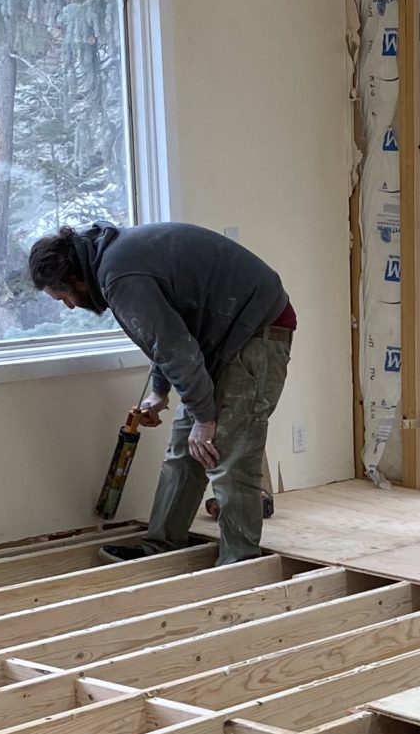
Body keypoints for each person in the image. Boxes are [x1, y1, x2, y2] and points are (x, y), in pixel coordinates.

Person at [27, 220, 295, 563]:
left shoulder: (120, 275)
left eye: (63, 296)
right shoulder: (113, 261)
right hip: (220, 336)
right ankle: (162, 546)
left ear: (76, 279)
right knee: (186, 448)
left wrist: (205, 419)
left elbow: (174, 348)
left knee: (227, 454)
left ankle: (238, 563)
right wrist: (159, 391)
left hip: (257, 328)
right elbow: (169, 333)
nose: (68, 306)